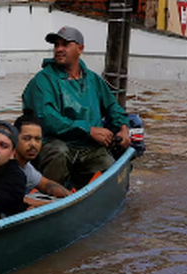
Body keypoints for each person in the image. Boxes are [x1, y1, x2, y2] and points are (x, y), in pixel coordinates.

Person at [21, 26, 130, 189]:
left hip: (90, 148)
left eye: (65, 44)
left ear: (80, 48)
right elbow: (48, 119)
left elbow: (112, 106)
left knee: (112, 172)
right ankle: (48, 199)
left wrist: (123, 128)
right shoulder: (42, 81)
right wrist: (89, 130)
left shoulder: (93, 79)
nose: (59, 49)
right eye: (56, 45)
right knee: (59, 153)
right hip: (54, 144)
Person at [13, 115, 72, 204]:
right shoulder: (5, 163)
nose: (33, 144)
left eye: (37, 139)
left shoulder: (26, 167)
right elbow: (11, 199)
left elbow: (46, 184)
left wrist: (71, 197)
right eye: (27, 138)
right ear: (14, 139)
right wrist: (48, 205)